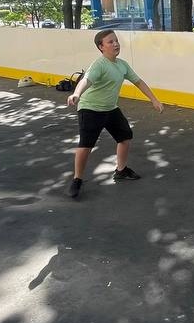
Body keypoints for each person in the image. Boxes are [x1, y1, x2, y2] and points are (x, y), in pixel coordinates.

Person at [64, 28, 164, 200]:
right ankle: (77, 179)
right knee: (86, 145)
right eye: (110, 42)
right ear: (101, 47)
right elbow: (86, 80)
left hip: (110, 108)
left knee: (125, 137)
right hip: (90, 108)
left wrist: (154, 99)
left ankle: (121, 170)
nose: (115, 44)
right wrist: (76, 94)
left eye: (116, 40)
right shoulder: (99, 65)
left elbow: (138, 82)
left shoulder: (122, 65)